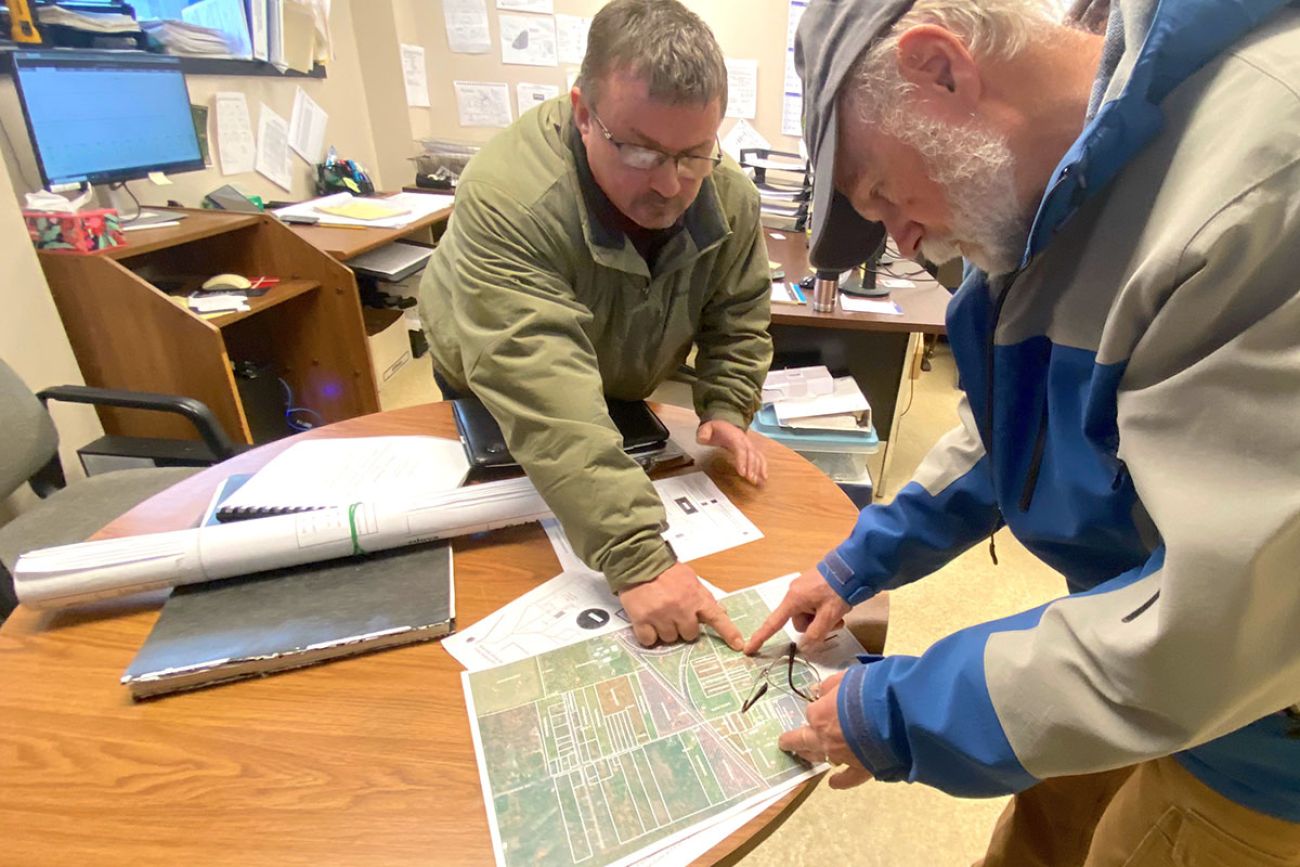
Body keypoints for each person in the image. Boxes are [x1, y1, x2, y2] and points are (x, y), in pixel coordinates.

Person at [748, 0, 1300, 862]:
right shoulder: (1051, 204)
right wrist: (860, 560)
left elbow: (1219, 623)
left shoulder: (1263, 177)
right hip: (1121, 645)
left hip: (1257, 745)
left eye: (885, 194)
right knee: (1037, 839)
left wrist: (896, 712)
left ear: (942, 68)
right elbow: (1010, 428)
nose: (904, 238)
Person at [419, 0, 772, 651]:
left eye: (694, 153)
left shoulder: (726, 194)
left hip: (620, 376)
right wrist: (641, 560)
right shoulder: (511, 197)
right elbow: (544, 390)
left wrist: (727, 400)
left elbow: (739, 311)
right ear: (584, 113)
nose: (671, 185)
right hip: (496, 375)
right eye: (641, 152)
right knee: (502, 557)